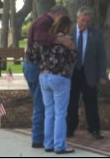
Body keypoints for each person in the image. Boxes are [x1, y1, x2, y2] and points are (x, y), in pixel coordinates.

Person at [23, 5, 73, 148]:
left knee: (45, 107)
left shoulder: (40, 21)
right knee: (41, 106)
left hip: (34, 67)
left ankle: (46, 140)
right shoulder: (45, 22)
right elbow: (40, 38)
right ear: (59, 14)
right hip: (37, 68)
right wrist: (62, 39)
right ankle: (39, 139)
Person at [67, 6, 107, 139]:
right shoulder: (68, 32)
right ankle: (69, 128)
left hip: (89, 74)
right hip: (71, 74)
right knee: (71, 102)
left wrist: (102, 75)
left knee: (91, 103)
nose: (85, 23)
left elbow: (102, 56)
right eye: (82, 20)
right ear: (77, 18)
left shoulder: (96, 33)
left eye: (88, 21)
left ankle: (94, 129)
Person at [39, 15, 77, 154]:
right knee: (60, 113)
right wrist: (73, 48)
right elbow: (73, 58)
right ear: (67, 26)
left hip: (44, 76)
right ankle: (59, 146)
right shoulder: (66, 40)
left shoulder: (48, 39)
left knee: (49, 112)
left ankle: (48, 144)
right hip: (60, 77)